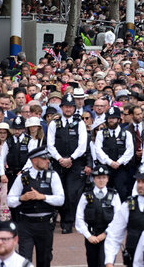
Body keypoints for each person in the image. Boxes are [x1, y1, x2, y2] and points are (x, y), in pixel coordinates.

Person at [5, 146, 62, 267]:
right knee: (24, 260)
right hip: (26, 224)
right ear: (34, 160)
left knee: (45, 259)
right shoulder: (23, 177)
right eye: (45, 158)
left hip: (45, 224)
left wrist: (43, 197)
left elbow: (61, 199)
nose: (48, 161)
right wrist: (22, 198)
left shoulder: (53, 176)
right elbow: (10, 200)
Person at [46, 92, 87, 234]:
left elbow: (82, 145)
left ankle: (68, 222)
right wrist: (60, 159)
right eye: (66, 107)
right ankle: (61, 219)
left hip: (74, 163)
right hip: (58, 163)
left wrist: (71, 159)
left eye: (71, 107)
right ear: (61, 107)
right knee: (59, 192)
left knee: (71, 193)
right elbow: (50, 145)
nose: (68, 109)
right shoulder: (54, 123)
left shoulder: (80, 123)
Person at [104, 162, 144, 267]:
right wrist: (109, 262)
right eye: (138, 181)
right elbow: (114, 234)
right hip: (134, 260)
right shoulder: (128, 206)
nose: (140, 185)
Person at [76, 165, 122, 267]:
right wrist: (88, 236)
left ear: (108, 179)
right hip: (91, 236)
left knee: (104, 263)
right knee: (92, 263)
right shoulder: (86, 196)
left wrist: (105, 234)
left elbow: (118, 218)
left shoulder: (114, 195)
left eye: (104, 177)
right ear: (94, 179)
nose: (101, 180)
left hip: (108, 236)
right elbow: (79, 218)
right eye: (98, 178)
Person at [94, 106, 135, 199]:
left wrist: (119, 162)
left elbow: (130, 151)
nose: (111, 120)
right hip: (106, 168)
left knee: (122, 192)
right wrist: (110, 162)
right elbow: (98, 150)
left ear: (119, 119)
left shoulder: (126, 134)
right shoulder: (101, 133)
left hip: (121, 168)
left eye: (113, 118)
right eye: (109, 118)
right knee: (104, 192)